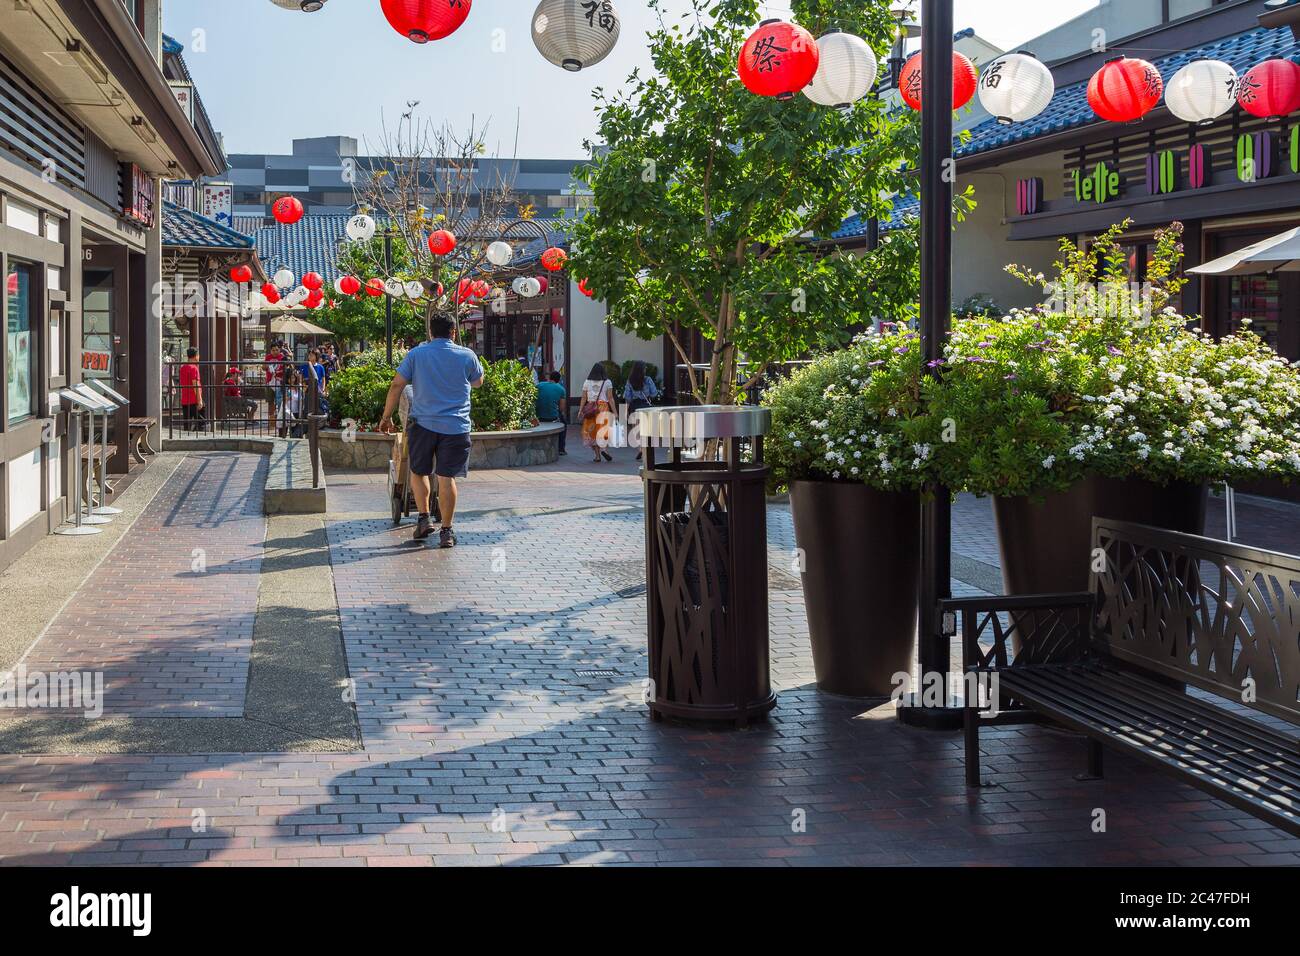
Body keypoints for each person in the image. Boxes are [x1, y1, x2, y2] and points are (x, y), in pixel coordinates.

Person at [379, 316, 484, 547]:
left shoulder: (417, 354)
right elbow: (479, 382)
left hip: (423, 425)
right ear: (453, 332)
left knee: (419, 472)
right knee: (447, 478)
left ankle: (424, 518)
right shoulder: (467, 355)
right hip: (456, 427)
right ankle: (446, 532)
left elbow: (397, 384)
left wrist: (386, 417)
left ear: (430, 332)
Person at [579, 362, 615, 464]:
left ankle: (597, 456)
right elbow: (610, 398)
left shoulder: (587, 382)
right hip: (602, 407)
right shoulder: (607, 382)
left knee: (592, 432)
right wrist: (615, 412)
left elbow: (583, 398)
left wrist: (580, 410)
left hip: (591, 409)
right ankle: (604, 449)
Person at [624, 361, 659, 462]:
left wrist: (626, 411)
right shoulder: (648, 380)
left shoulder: (630, 381)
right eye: (645, 368)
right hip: (646, 406)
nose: (646, 370)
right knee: (646, 429)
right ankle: (645, 449)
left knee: (636, 430)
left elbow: (628, 397)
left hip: (635, 406)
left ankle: (640, 448)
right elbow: (654, 393)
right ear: (642, 370)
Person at [535, 371, 568, 457]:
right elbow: (561, 408)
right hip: (552, 417)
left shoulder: (539, 385)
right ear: (559, 380)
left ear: (549, 378)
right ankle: (561, 449)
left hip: (538, 415)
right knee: (563, 424)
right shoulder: (561, 389)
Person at [179, 347, 204, 432]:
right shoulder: (194, 368)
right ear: (195, 356)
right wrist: (199, 400)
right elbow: (195, 385)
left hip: (185, 400)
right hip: (194, 400)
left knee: (187, 425)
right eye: (198, 355)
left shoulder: (182, 368)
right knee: (202, 422)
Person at [280, 367, 305, 438]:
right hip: (287, 412)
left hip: (296, 412)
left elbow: (302, 397)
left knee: (295, 433)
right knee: (283, 433)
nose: (292, 380)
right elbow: (282, 399)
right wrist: (286, 398)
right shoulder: (285, 388)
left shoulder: (299, 387)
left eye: (293, 378)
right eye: (290, 378)